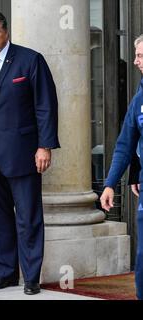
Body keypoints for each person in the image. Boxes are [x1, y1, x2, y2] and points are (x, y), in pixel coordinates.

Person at [0, 11, 60, 295]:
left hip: (23, 153)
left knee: (28, 218)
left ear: (5, 31)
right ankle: (5, 273)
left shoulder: (31, 60)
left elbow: (45, 105)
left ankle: (30, 277)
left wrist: (45, 146)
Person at [100, 34, 143, 301]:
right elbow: (126, 144)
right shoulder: (139, 99)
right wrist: (109, 184)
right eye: (137, 55)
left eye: (140, 55)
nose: (136, 61)